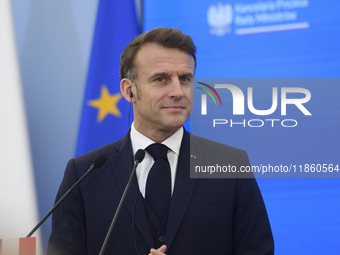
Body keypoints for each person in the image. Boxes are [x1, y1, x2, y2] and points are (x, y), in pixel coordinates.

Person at [48, 28, 274, 255]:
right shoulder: (86, 173)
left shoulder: (230, 165)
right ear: (129, 91)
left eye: (185, 79)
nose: (178, 92)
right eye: (161, 79)